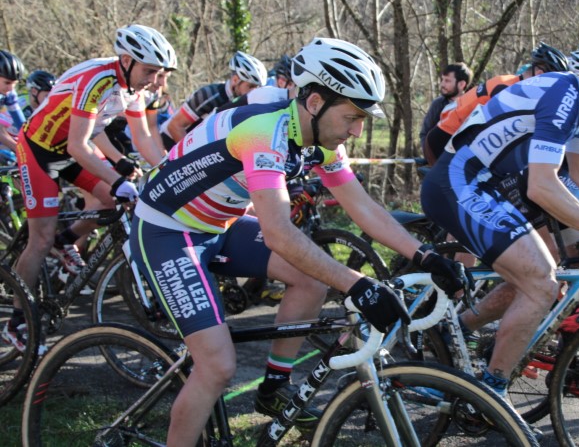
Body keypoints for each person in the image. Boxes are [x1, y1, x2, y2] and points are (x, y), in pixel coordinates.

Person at [128, 37, 466, 445]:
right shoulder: (264, 131)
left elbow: (365, 209)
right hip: (166, 230)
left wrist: (425, 255)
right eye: (352, 117)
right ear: (315, 102)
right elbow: (279, 233)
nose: (358, 130)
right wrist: (359, 285)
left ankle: (274, 387)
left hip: (218, 224)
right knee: (217, 366)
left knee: (311, 279)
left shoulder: (319, 138)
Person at [420, 27, 579, 397]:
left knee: (547, 265)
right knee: (541, 283)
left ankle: (461, 333)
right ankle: (488, 395)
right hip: (460, 182)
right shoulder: (563, 96)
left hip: (495, 186)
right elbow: (543, 186)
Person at [2, 25, 174, 352]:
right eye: (149, 71)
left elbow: (143, 139)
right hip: (38, 149)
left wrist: (166, 172)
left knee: (112, 201)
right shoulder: (98, 79)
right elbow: (79, 144)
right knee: (40, 238)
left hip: (67, 150)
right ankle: (17, 321)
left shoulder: (134, 90)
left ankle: (64, 242)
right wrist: (118, 178)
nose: (154, 80)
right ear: (126, 60)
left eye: (158, 72)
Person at [423, 42, 570, 164]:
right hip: (444, 140)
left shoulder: (509, 82)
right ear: (539, 75)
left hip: (451, 137)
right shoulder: (509, 89)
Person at [161, 51, 267, 149]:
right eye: (250, 86)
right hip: (169, 143)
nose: (254, 92)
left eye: (258, 88)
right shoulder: (209, 94)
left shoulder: (244, 102)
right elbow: (175, 126)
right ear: (235, 80)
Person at [418, 62, 472, 152]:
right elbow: (424, 134)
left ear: (461, 84)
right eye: (442, 80)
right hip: (438, 161)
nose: (442, 84)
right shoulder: (437, 104)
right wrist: (431, 157)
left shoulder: (472, 106)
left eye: (447, 81)